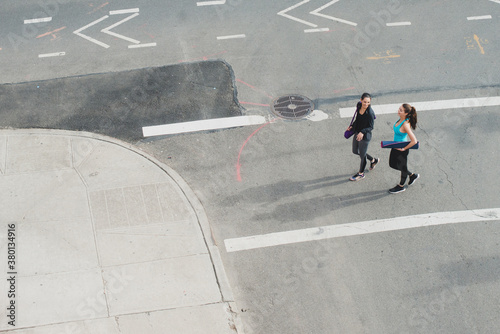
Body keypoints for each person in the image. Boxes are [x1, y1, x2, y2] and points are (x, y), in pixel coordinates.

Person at [346, 93, 379, 181]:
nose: (366, 104)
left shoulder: (370, 113)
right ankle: (373, 160)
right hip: (357, 132)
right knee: (355, 151)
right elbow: (358, 119)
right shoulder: (359, 105)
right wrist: (352, 126)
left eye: (368, 102)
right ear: (361, 100)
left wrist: (362, 132)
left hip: (365, 136)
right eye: (364, 102)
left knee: (362, 155)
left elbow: (371, 127)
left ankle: (361, 174)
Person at [388, 103, 420, 194]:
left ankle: (401, 186)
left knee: (403, 168)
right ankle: (412, 175)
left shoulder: (405, 124)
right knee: (392, 164)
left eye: (401, 110)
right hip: (395, 146)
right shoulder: (400, 119)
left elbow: (414, 141)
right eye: (399, 109)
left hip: (402, 150)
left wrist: (404, 149)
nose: (399, 111)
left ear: (406, 113)